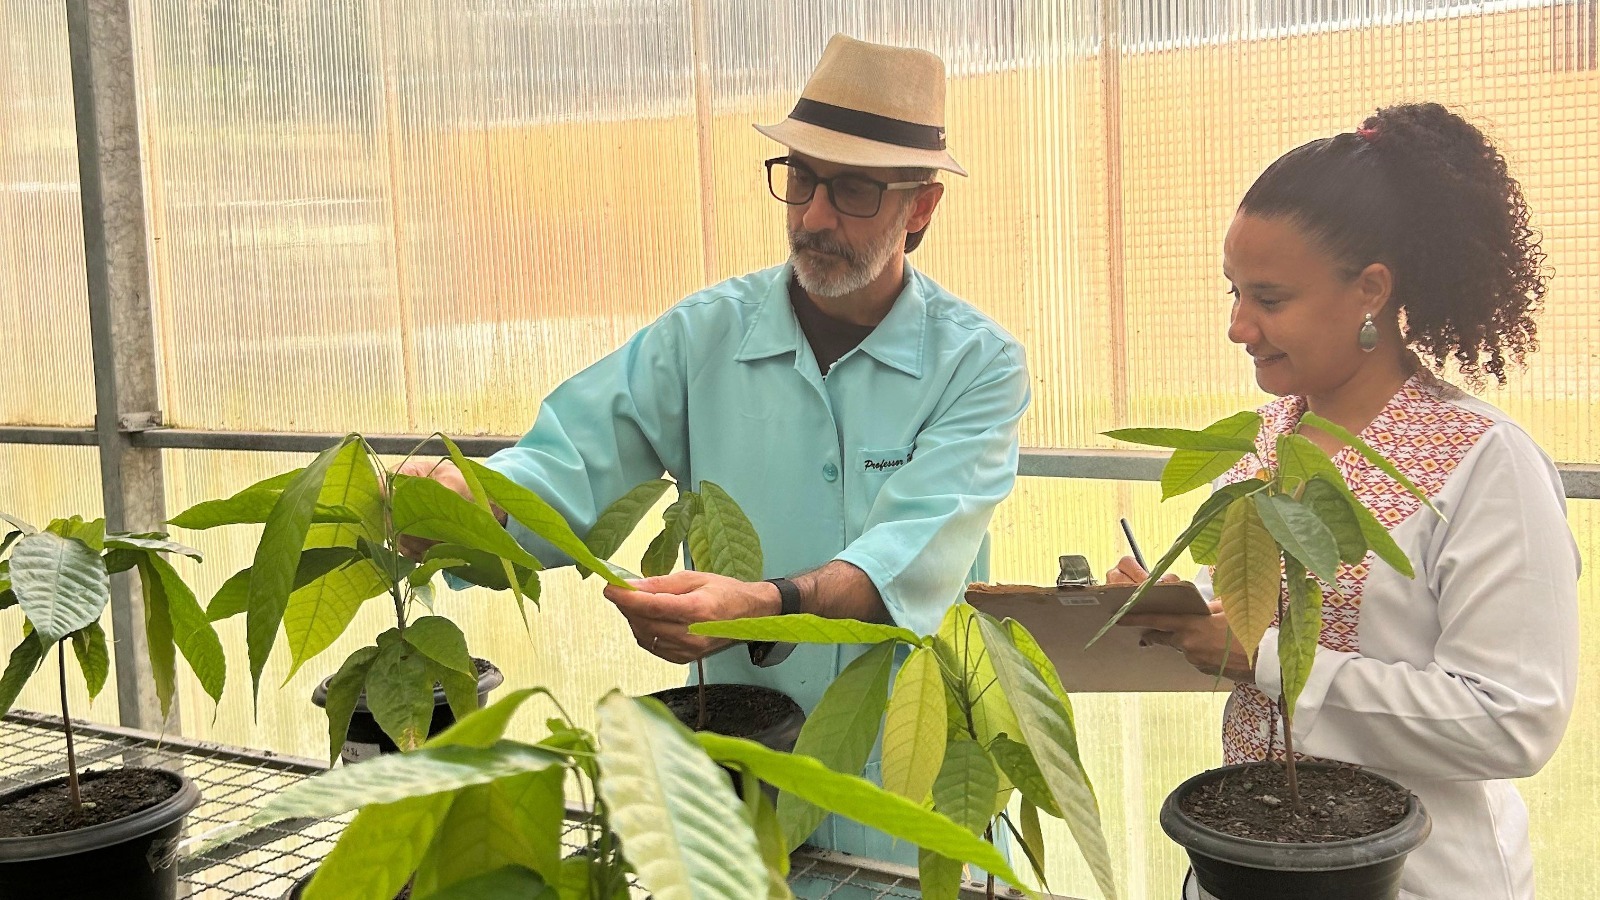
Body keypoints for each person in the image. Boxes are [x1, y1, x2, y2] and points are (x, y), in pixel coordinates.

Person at [400, 33, 1030, 864]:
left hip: (910, 786)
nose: (812, 215)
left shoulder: (976, 364)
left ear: (920, 208)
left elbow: (911, 555)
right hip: (739, 779)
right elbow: (571, 461)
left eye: (853, 190)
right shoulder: (705, 336)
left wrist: (762, 605)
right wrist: (461, 501)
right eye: (801, 176)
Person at [1113, 102, 1580, 900]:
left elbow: (1513, 719)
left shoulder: (1484, 464)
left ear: (1370, 290)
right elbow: (1259, 620)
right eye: (1232, 292)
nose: (1238, 326)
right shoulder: (1263, 443)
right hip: (1244, 856)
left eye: (1269, 297)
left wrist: (1258, 660)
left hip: (1417, 877)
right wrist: (1183, 615)